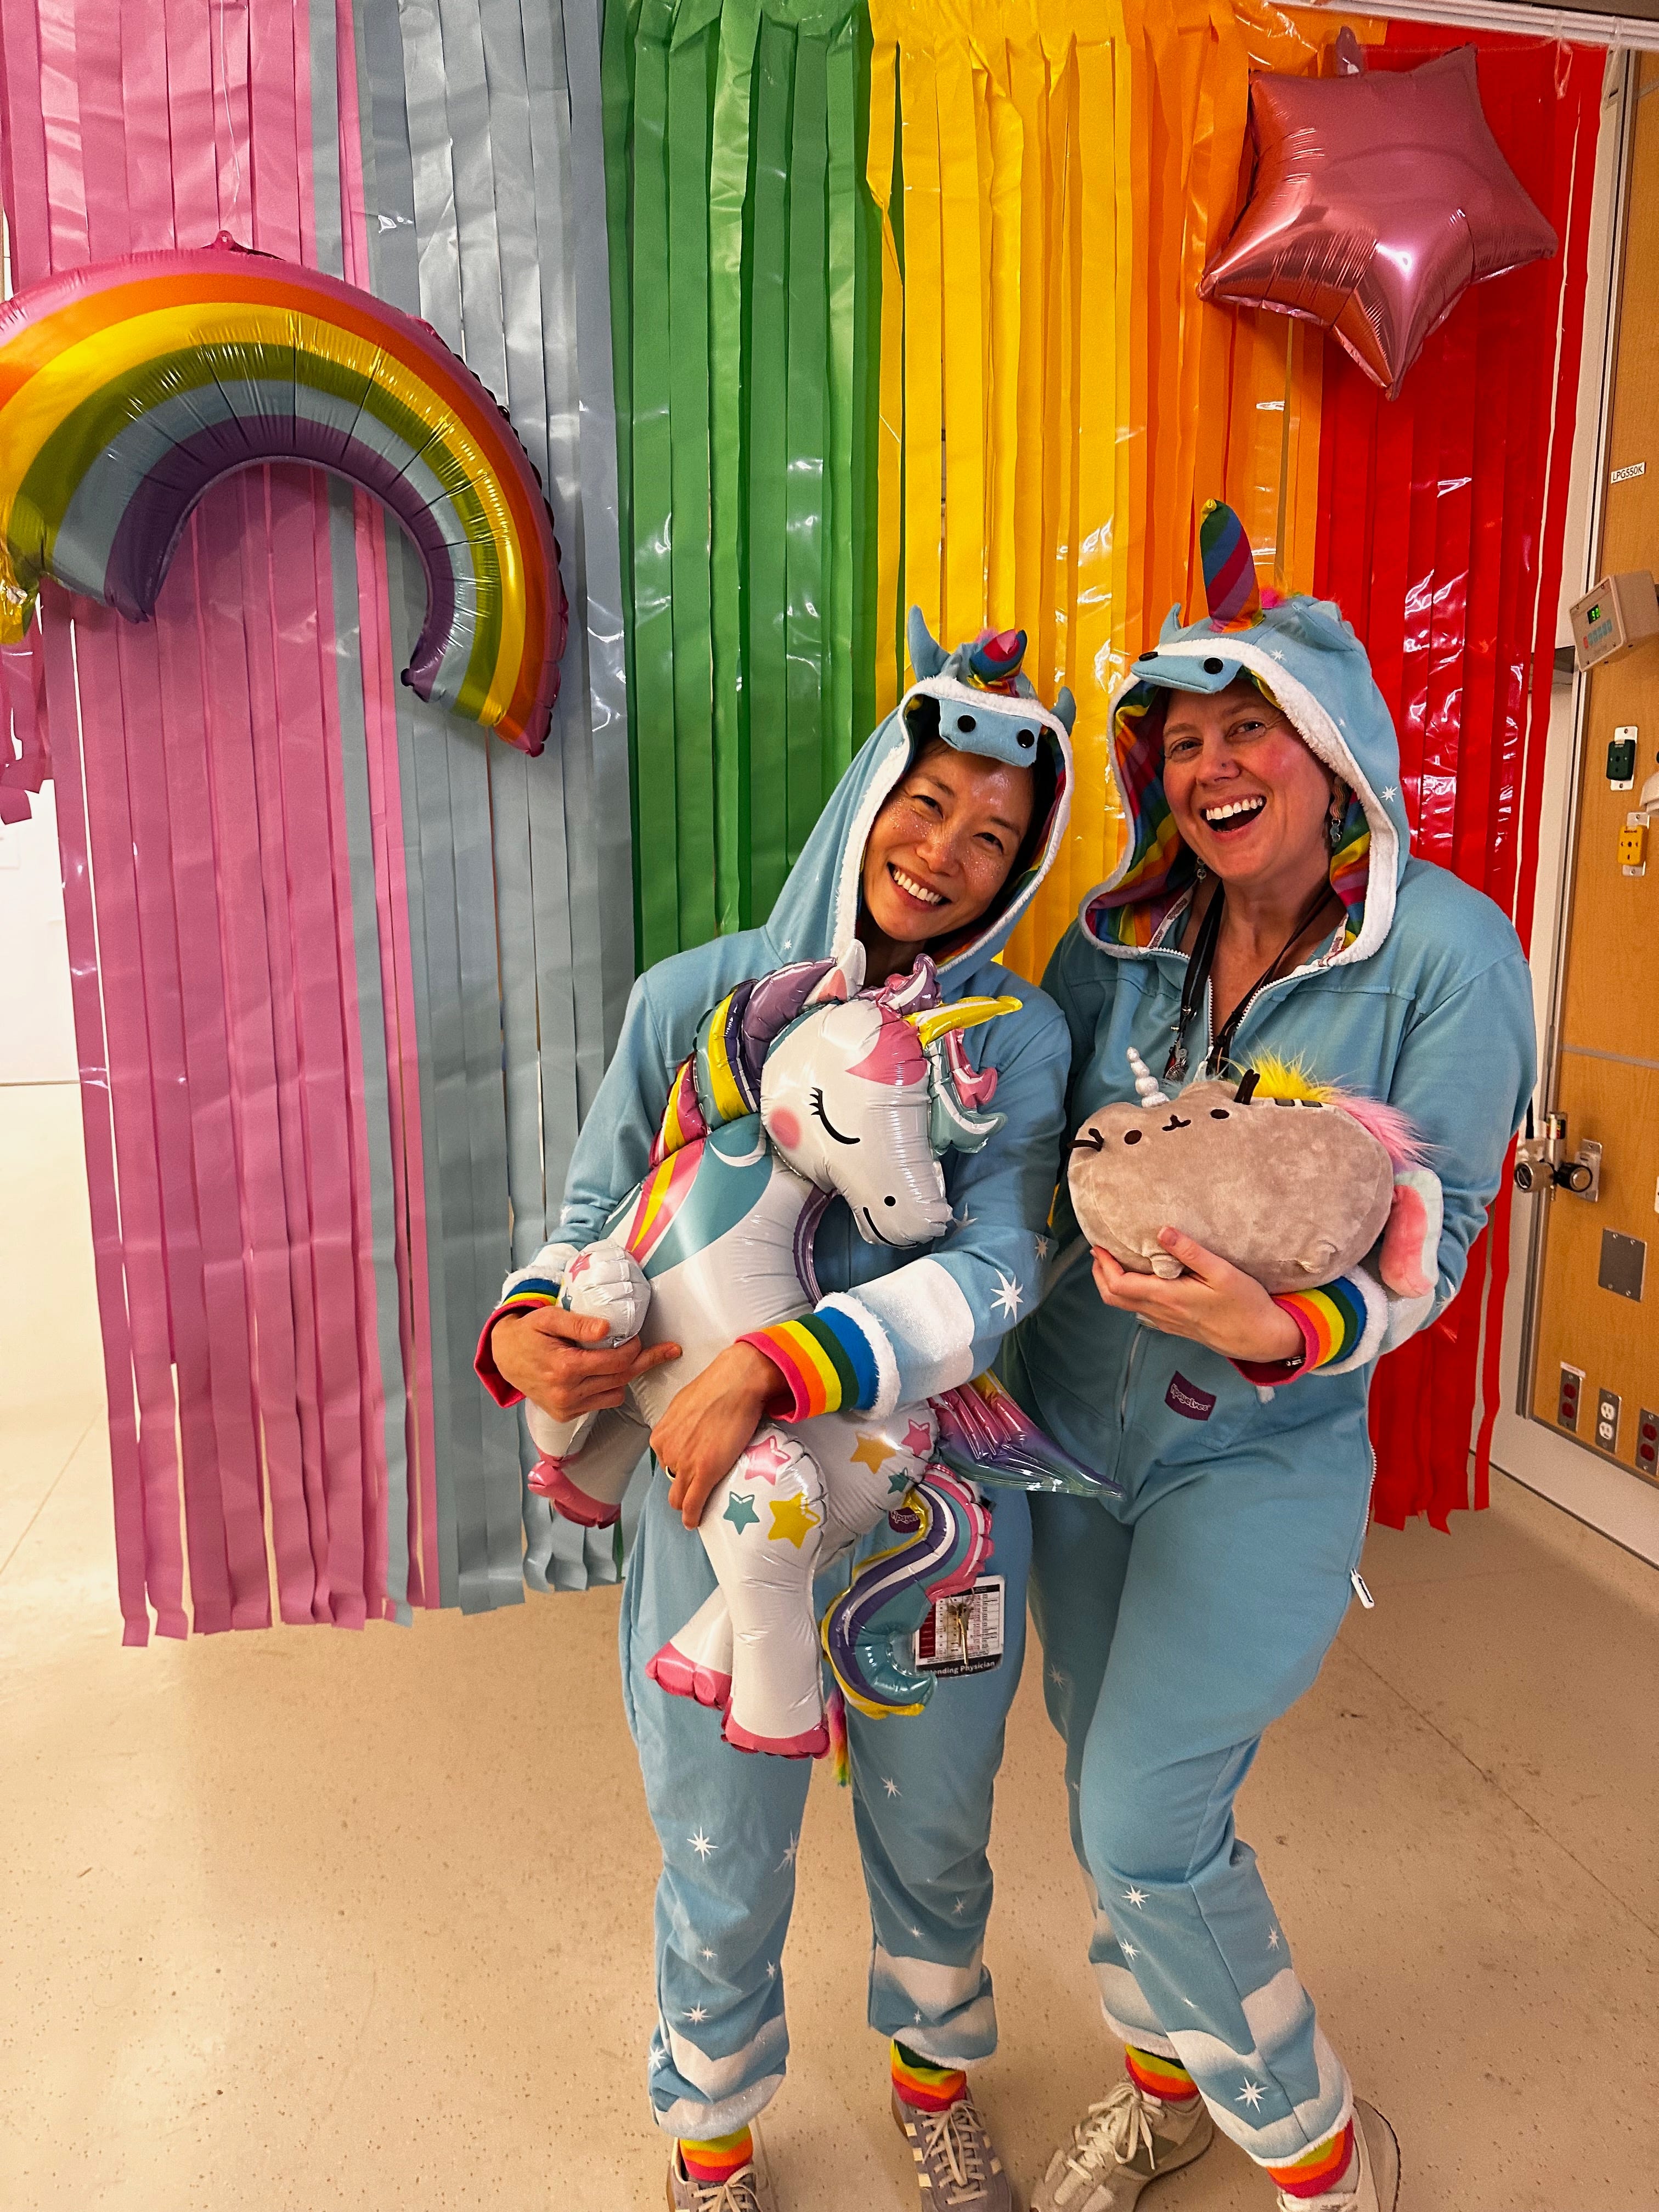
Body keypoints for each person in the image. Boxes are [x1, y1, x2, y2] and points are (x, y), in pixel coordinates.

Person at [479, 614, 1076, 2212]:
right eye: (927, 804)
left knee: (939, 1826)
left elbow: (1001, 1266)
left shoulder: (1016, 1044)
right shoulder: (691, 1000)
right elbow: (592, 1217)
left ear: (1024, 866)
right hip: (708, 1498)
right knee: (719, 1838)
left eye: (994, 836)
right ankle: (712, 2137)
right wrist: (534, 1331)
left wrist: (787, 1362)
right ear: (872, 796)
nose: (946, 853)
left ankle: (934, 2082)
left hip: (935, 1513)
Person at [1003, 516, 1534, 2212]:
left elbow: (1440, 1231)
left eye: (1252, 728)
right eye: (1182, 741)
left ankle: (1320, 2154)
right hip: (1073, 1429)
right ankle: (1164, 2089)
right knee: (1101, 1791)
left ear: (1332, 746)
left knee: (1147, 1817)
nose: (1214, 767)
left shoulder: (1450, 955)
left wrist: (1286, 1331)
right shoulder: (1118, 942)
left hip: (1260, 1448)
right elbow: (1032, 1160)